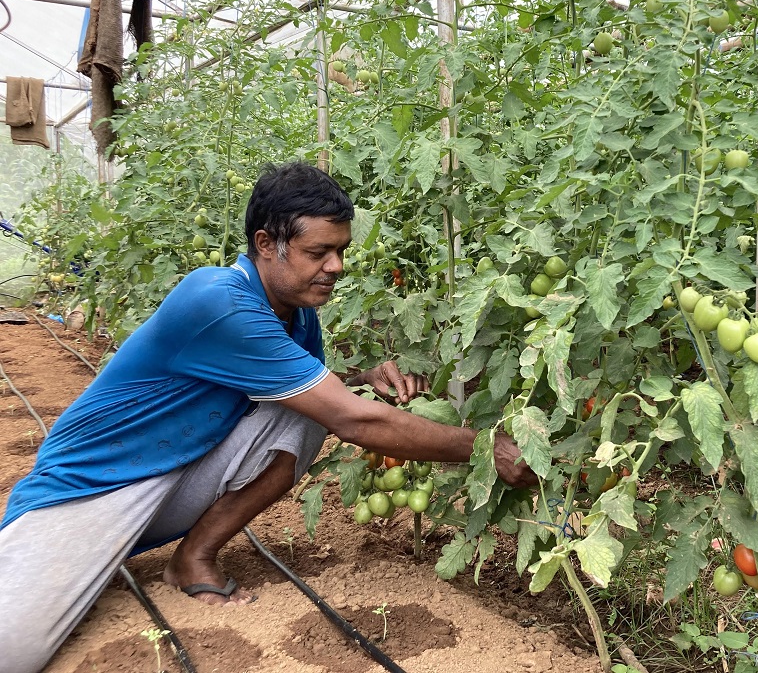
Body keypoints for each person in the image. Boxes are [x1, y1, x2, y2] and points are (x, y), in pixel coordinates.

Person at [0, 161, 535, 672]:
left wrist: (361, 377)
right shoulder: (219, 300)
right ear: (265, 245)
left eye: (341, 251)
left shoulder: (296, 311)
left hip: (174, 472)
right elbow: (354, 422)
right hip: (89, 486)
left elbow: (307, 396)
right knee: (11, 651)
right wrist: (485, 444)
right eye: (318, 251)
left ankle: (195, 558)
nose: (336, 267)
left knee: (301, 418)